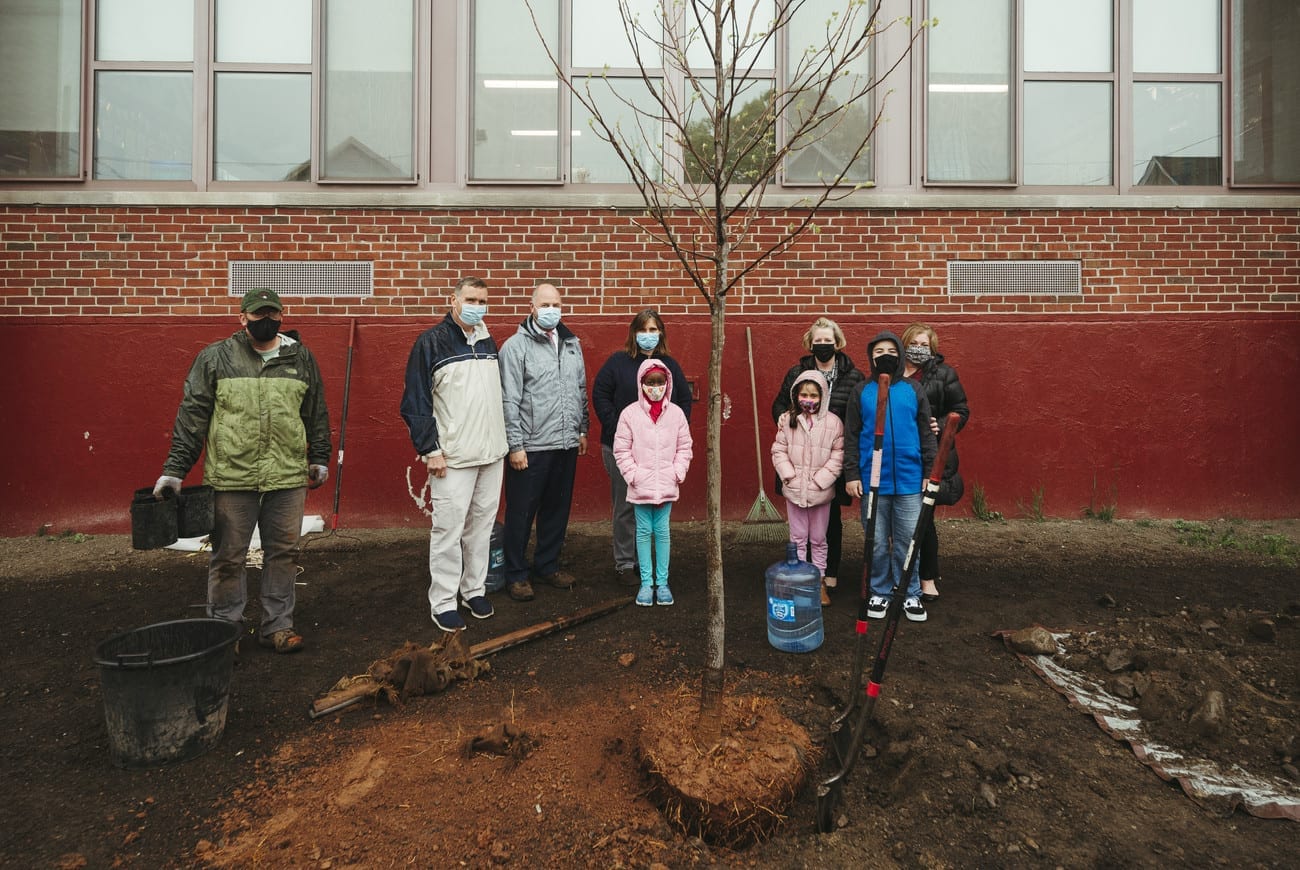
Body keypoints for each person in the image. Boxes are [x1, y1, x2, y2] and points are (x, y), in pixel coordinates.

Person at [153, 287, 330, 654]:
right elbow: (192, 417)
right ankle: (224, 631)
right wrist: (174, 470)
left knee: (284, 553)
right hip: (232, 477)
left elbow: (315, 412)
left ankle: (278, 626)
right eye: (257, 315)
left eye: (272, 315)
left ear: (282, 316)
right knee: (228, 556)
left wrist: (320, 457)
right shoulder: (216, 358)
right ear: (242, 318)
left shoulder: (300, 358)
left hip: (286, 476)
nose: (265, 321)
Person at [400, 276, 509, 633]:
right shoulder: (431, 343)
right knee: (448, 531)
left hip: (491, 454)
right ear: (453, 299)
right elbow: (416, 402)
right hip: (452, 458)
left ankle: (473, 590)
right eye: (471, 298)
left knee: (480, 527)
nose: (477, 305)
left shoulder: (488, 340)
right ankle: (444, 601)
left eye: (482, 299)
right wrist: (430, 450)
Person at [497, 282, 590, 602]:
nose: (552, 310)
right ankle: (516, 573)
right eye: (546, 305)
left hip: (565, 442)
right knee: (521, 512)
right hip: (531, 446)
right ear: (532, 308)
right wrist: (515, 445)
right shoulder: (515, 347)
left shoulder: (571, 344)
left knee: (556, 509)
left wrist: (581, 430)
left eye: (557, 304)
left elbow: (580, 390)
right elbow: (508, 400)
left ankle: (547, 565)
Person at [592, 309, 693, 585]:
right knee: (626, 507)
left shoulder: (669, 365)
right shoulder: (618, 363)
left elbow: (683, 400)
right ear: (633, 333)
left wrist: (672, 433)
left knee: (652, 510)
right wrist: (618, 427)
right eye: (643, 330)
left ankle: (644, 563)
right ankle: (625, 562)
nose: (648, 336)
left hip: (657, 455)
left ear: (661, 333)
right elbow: (600, 394)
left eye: (653, 330)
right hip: (619, 449)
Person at [844, 331, 937, 623]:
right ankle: (880, 590)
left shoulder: (913, 389)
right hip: (873, 481)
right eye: (878, 350)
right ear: (871, 356)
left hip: (909, 480)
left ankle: (909, 592)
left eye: (891, 350)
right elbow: (851, 435)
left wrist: (928, 471)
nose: (885, 354)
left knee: (908, 539)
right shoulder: (862, 391)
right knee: (876, 541)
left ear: (899, 354)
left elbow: (926, 432)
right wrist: (851, 473)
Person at [770, 317, 865, 599]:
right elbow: (780, 406)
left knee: (827, 523)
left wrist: (826, 475)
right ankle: (801, 577)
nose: (823, 345)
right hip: (798, 465)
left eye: (828, 340)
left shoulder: (853, 375)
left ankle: (826, 575)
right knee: (798, 531)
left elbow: (858, 416)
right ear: (811, 343)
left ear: (837, 342)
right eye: (818, 340)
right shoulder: (798, 372)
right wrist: (788, 425)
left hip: (829, 464)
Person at [613, 359, 693, 607]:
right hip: (640, 486)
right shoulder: (629, 414)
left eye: (660, 382)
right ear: (641, 383)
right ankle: (646, 583)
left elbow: (685, 447)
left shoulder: (677, 414)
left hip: (666, 485)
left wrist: (677, 472)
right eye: (650, 382)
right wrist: (634, 475)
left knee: (662, 532)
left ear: (667, 384)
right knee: (643, 532)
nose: (655, 387)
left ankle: (663, 582)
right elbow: (621, 450)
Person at [901, 323, 969, 602]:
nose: (919, 349)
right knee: (901, 521)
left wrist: (939, 425)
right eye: (914, 343)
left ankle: (927, 577)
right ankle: (901, 575)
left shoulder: (944, 374)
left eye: (925, 345)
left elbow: (961, 410)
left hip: (929, 455)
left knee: (924, 519)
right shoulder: (892, 373)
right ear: (905, 344)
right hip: (901, 455)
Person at [770, 370, 844, 606]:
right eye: (803, 394)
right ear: (795, 395)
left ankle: (819, 579)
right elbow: (778, 450)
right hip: (795, 490)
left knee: (819, 538)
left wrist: (821, 480)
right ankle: (800, 580)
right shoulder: (789, 419)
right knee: (798, 537)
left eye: (814, 395)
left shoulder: (833, 423)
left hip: (821, 492)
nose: (808, 399)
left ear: (823, 397)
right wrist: (789, 476)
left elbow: (838, 455)